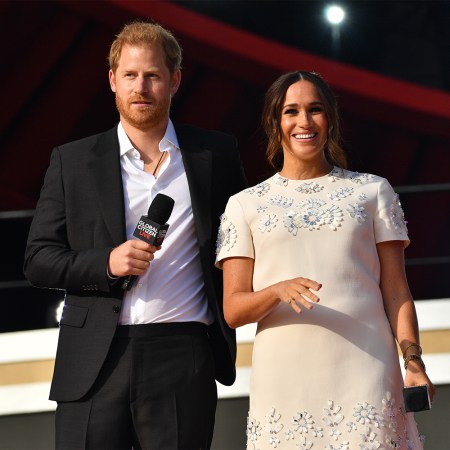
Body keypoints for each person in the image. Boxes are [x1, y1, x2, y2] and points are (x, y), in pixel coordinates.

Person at [24, 20, 246, 449]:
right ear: (112, 80)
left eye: (153, 75)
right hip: (94, 360)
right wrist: (106, 263)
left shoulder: (215, 156)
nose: (140, 86)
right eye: (129, 75)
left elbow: (246, 239)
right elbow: (38, 259)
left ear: (174, 81)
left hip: (184, 353)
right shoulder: (72, 161)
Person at [216, 71, 435, 449]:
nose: (304, 121)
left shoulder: (372, 191)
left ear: (330, 119)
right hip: (284, 383)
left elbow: (396, 290)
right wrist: (277, 290)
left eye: (315, 110)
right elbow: (234, 310)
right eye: (291, 111)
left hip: (367, 372)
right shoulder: (244, 205)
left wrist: (413, 361)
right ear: (275, 122)